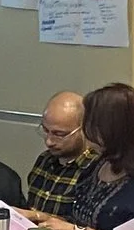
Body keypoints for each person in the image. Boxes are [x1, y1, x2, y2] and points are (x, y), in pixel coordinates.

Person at [42, 83, 134, 230]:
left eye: (90, 125)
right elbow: (74, 219)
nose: (86, 132)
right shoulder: (98, 165)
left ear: (110, 130)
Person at [18, 91, 98, 221]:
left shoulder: (96, 170)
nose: (49, 141)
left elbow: (87, 226)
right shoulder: (45, 160)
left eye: (59, 134)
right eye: (45, 130)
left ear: (84, 129)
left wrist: (40, 217)